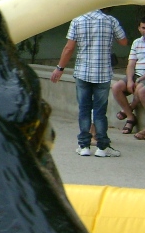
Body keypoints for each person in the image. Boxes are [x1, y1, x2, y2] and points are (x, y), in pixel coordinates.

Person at [50, 8, 128, 157]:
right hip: (103, 73)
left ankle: (84, 146)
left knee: (84, 110)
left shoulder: (77, 21)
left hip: (82, 72)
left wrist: (60, 68)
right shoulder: (110, 20)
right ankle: (102, 147)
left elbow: (69, 48)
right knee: (100, 112)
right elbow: (123, 41)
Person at [112, 17, 145, 134]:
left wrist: (142, 78)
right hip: (137, 74)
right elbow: (131, 64)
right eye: (144, 28)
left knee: (139, 89)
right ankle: (130, 116)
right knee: (116, 87)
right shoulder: (137, 42)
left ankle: (130, 110)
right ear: (139, 28)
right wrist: (130, 80)